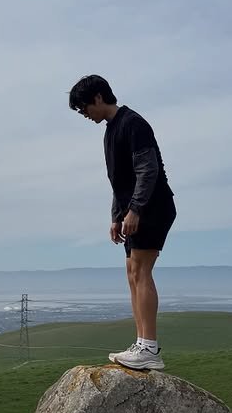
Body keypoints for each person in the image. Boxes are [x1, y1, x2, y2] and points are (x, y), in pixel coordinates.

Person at [68, 74, 176, 371]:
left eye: (84, 107)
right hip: (135, 209)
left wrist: (136, 210)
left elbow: (148, 169)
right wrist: (117, 217)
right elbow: (119, 183)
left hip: (152, 206)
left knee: (141, 270)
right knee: (132, 272)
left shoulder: (133, 123)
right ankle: (142, 342)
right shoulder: (111, 131)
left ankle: (150, 348)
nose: (84, 114)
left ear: (99, 98)